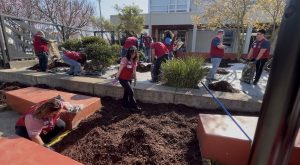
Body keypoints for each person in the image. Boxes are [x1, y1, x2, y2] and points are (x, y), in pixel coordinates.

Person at [115, 46, 141, 111]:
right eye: (132, 53)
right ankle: (134, 107)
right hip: (122, 78)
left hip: (129, 79)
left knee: (126, 92)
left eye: (134, 53)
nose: (133, 55)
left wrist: (135, 79)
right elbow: (120, 69)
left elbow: (134, 71)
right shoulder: (125, 59)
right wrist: (116, 78)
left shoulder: (134, 60)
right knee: (131, 92)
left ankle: (124, 105)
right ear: (129, 53)